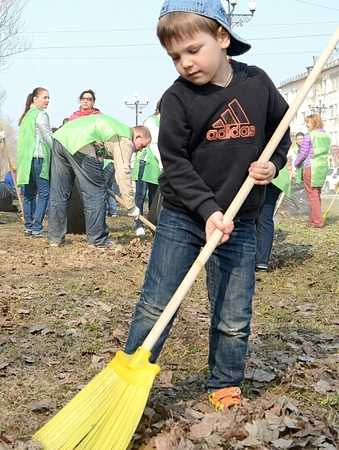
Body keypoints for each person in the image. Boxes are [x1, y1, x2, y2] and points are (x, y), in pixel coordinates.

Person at [124, 0, 290, 412]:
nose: (185, 63)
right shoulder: (177, 99)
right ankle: (130, 377)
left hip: (240, 219)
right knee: (157, 301)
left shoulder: (257, 84)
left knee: (233, 312)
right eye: (175, 56)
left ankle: (224, 384)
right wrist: (205, 210)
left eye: (193, 50)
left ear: (222, 37)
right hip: (184, 215)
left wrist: (274, 163)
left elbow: (282, 132)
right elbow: (175, 164)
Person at [48, 114, 150, 248]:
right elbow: (123, 173)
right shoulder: (125, 138)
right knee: (96, 192)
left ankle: (55, 238)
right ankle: (98, 239)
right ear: (137, 137)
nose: (141, 149)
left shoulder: (116, 127)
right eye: (142, 145)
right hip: (81, 142)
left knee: (59, 192)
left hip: (61, 138)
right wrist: (131, 205)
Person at [17, 87, 53, 237]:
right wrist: (59, 152)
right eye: (44, 97)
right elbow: (48, 136)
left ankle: (29, 227)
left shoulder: (26, 116)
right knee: (44, 193)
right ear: (35, 99)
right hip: (39, 158)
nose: (47, 100)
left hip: (26, 160)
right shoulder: (40, 115)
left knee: (29, 194)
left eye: (48, 98)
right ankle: (37, 227)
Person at [293, 114, 329, 228]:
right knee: (317, 193)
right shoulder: (326, 136)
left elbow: (303, 154)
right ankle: (313, 220)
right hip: (322, 167)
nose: (306, 124)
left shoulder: (309, 136)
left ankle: (317, 222)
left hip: (311, 166)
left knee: (312, 195)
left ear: (314, 123)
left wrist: (296, 163)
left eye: (308, 122)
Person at [133, 104, 163, 236]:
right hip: (146, 162)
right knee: (140, 195)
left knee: (153, 195)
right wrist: (162, 161)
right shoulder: (152, 121)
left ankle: (152, 224)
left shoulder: (165, 123)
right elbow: (154, 144)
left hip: (156, 166)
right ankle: (139, 224)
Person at [255, 166, 291, 271]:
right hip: (277, 176)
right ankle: (261, 262)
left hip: (264, 175)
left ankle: (256, 260)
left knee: (254, 218)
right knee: (265, 218)